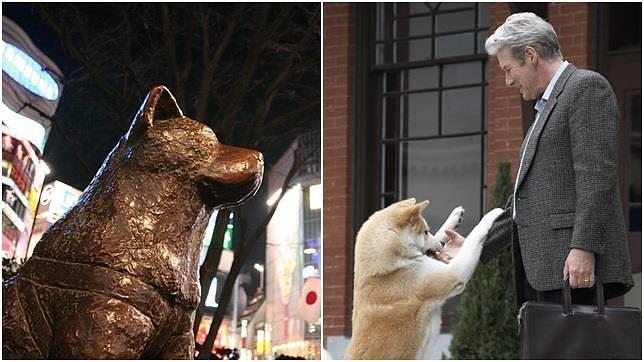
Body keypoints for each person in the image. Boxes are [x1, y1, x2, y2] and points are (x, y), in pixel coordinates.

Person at [437, 12, 633, 306]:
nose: (507, 81)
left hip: (574, 269)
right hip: (546, 271)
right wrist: (474, 249)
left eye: (508, 69)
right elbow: (525, 201)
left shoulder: (585, 88)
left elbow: (597, 177)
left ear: (530, 55)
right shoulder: (545, 107)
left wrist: (584, 247)